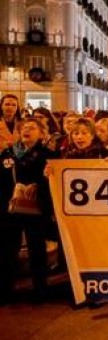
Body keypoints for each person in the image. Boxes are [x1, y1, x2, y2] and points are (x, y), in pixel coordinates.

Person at [0, 118, 55, 304]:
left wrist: (38, 184)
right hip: (12, 209)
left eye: (32, 128)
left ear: (41, 133)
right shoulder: (9, 153)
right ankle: (6, 288)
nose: (27, 130)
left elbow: (54, 181)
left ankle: (40, 289)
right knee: (9, 249)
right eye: (23, 127)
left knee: (37, 248)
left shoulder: (48, 154)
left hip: (36, 210)